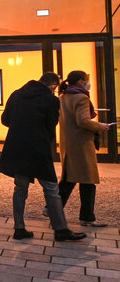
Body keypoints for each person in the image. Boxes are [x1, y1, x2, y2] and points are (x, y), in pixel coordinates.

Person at [0, 72, 87, 242]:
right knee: (52, 189)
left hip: (17, 147)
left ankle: (19, 228)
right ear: (53, 85)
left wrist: (20, 127)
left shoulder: (17, 94)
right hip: (38, 149)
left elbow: (5, 119)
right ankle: (61, 229)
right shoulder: (51, 100)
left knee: (20, 188)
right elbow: (50, 126)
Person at [58, 70, 110, 227]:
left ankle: (53, 209)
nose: (88, 83)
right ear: (81, 82)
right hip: (81, 143)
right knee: (87, 180)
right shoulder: (81, 97)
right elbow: (83, 121)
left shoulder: (63, 97)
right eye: (87, 80)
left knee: (70, 178)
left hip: (69, 143)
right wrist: (101, 126)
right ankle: (86, 217)